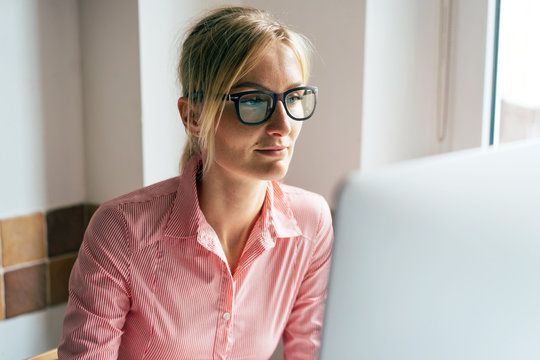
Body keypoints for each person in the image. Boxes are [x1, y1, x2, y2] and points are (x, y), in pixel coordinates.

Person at [58, 6, 333, 359]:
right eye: (253, 101)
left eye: (294, 97)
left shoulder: (311, 224)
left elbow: (312, 353)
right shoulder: (122, 230)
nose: (283, 125)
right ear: (193, 117)